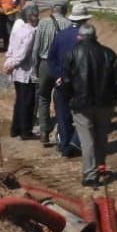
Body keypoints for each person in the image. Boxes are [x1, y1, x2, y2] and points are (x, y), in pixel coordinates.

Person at [64, 21, 117, 186]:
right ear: (95, 36)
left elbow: (67, 81)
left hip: (81, 103)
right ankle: (100, 166)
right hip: (104, 103)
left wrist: (71, 97)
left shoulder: (72, 53)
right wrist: (114, 98)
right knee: (101, 136)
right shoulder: (108, 53)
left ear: (80, 36)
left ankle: (90, 174)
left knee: (87, 139)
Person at [46, 13, 87, 157]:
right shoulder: (85, 37)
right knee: (83, 114)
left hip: (62, 81)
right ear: (84, 21)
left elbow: (51, 59)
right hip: (79, 82)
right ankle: (74, 143)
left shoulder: (60, 36)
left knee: (62, 114)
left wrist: (57, 76)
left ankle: (65, 145)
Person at [32, 0, 70, 144]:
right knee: (61, 99)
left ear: (52, 10)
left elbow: (36, 48)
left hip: (45, 63)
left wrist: (35, 67)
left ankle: (44, 132)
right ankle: (61, 131)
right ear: (64, 10)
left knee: (43, 98)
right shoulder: (68, 24)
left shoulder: (42, 23)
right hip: (61, 66)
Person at [3, 2, 40, 139]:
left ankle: (15, 129)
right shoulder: (31, 32)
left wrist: (9, 61)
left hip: (16, 72)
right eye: (35, 15)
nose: (37, 18)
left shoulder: (18, 29)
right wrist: (12, 63)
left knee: (19, 101)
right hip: (25, 72)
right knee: (27, 102)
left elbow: (11, 48)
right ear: (30, 17)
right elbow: (23, 54)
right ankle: (25, 131)